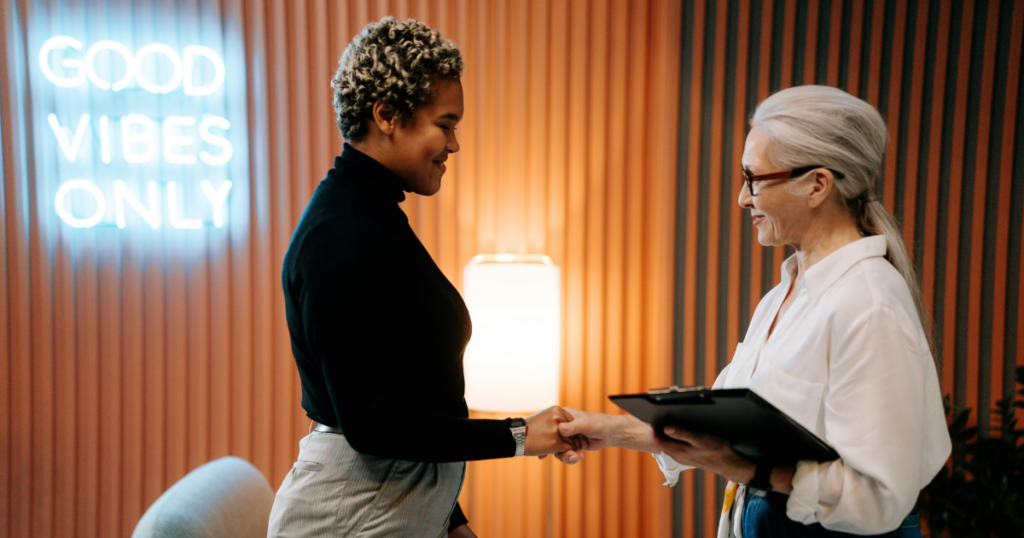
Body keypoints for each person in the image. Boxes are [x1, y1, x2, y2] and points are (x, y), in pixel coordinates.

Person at [552, 86, 950, 537]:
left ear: (817, 185)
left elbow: (877, 499)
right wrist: (611, 430)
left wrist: (750, 472)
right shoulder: (783, 295)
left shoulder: (869, 302)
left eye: (754, 179)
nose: (743, 199)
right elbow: (725, 433)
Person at [268, 17, 578, 538]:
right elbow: (374, 424)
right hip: (352, 512)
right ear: (387, 115)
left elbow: (412, 393)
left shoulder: (372, 217)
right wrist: (521, 436)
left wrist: (448, 519)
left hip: (390, 498)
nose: (454, 144)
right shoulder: (340, 236)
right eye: (446, 123)